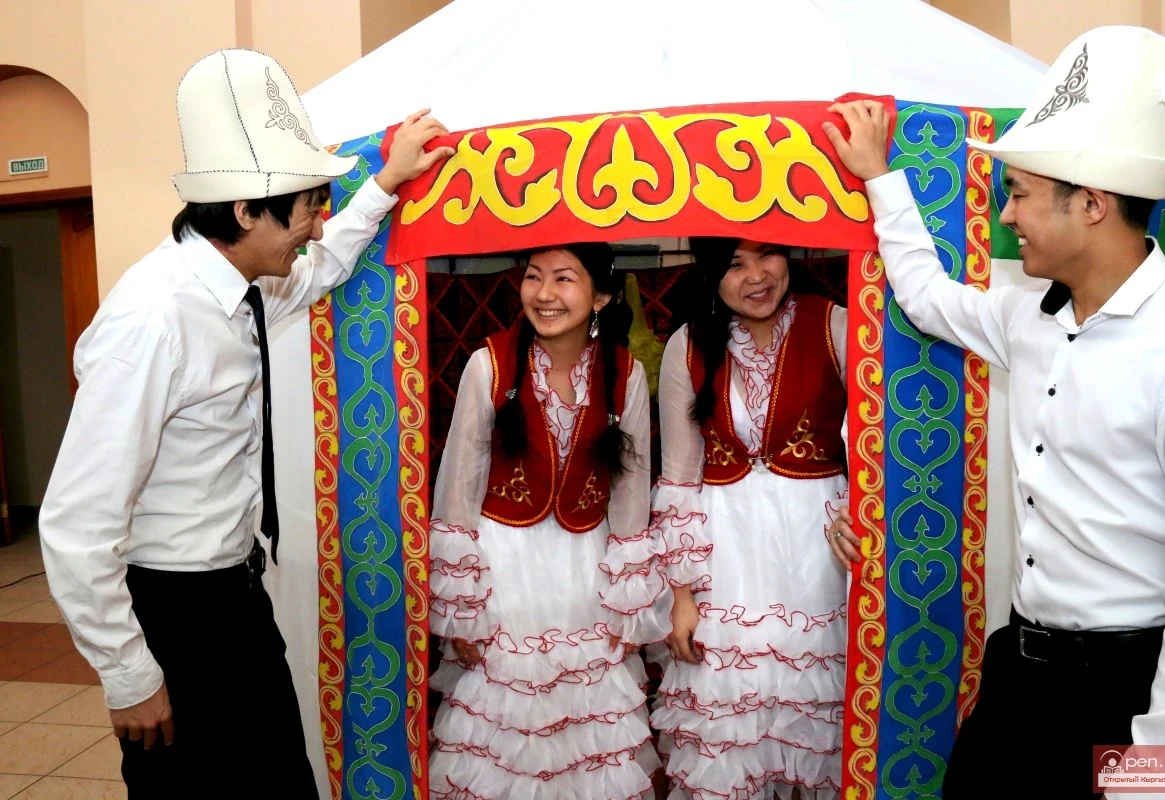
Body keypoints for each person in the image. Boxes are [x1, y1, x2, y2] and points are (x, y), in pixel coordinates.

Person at [38, 48, 453, 798]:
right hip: (175, 614)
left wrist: (384, 185)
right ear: (244, 210)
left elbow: (321, 271)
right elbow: (75, 523)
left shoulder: (246, 284)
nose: (315, 230)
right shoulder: (154, 320)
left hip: (234, 597)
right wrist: (130, 676)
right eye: (308, 210)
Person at [822, 26, 1165, 800]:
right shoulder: (1028, 315)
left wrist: (1158, 775)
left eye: (1020, 193)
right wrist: (880, 178)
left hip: (1129, 690)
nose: (1008, 213)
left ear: (1090, 204)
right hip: (1020, 673)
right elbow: (926, 297)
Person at [427, 242, 670, 799]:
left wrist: (628, 602)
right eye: (534, 276)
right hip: (503, 571)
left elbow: (631, 494)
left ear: (600, 296)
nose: (544, 294)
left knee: (587, 731)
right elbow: (458, 488)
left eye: (564, 278)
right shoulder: (488, 365)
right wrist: (463, 608)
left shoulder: (626, 374)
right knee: (506, 729)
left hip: (586, 573)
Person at [651, 237, 849, 800]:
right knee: (729, 726)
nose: (756, 276)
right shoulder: (688, 344)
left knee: (818, 721)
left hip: (817, 556)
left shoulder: (836, 325)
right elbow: (679, 478)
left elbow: (877, 446)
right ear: (711, 274)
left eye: (767, 255)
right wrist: (681, 594)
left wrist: (863, 513)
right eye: (734, 264)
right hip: (725, 559)